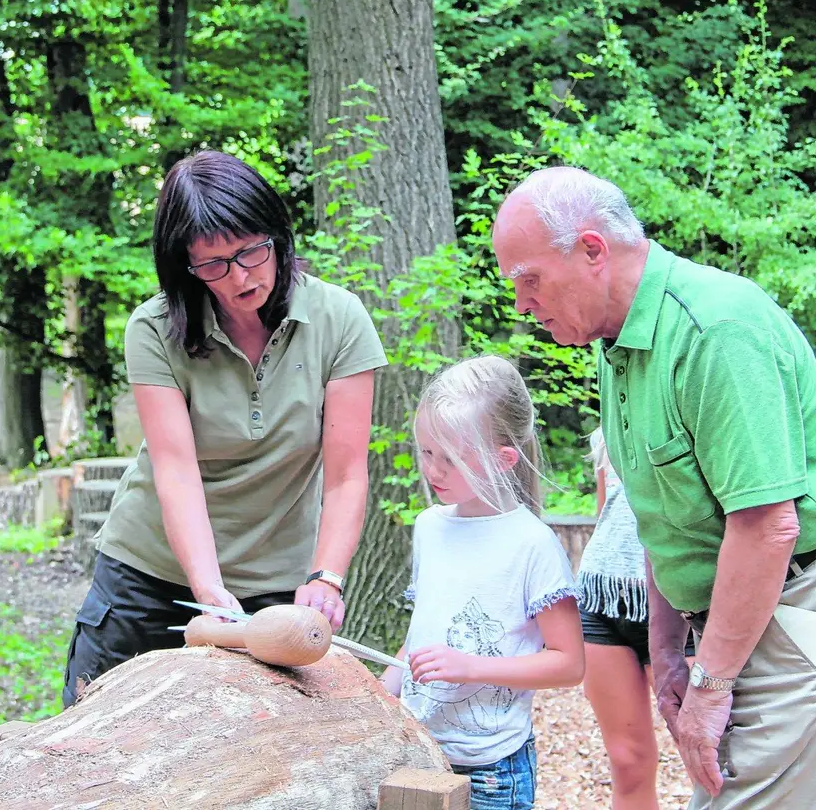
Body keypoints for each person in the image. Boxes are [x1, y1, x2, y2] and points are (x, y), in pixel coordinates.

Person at [491, 166, 816, 809]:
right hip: (744, 611)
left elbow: (767, 525)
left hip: (814, 597)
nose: (522, 304)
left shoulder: (715, 329)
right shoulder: (619, 346)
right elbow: (661, 517)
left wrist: (710, 686)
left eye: (529, 280)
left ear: (592, 251)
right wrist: (667, 654)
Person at [60, 150, 387, 707]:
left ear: (276, 237)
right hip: (151, 575)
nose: (240, 277)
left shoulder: (339, 318)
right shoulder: (153, 329)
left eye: (250, 253)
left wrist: (327, 576)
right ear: (184, 265)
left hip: (276, 588)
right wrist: (208, 592)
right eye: (213, 264)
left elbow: (346, 475)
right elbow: (176, 470)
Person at [379, 355, 585, 810]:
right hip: (415, 752)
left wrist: (470, 667)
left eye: (449, 459)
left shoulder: (533, 544)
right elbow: (420, 636)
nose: (432, 471)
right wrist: (378, 693)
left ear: (504, 459)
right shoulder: (429, 526)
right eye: (426, 452)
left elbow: (569, 664)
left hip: (492, 773)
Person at [576, 428, 660, 810]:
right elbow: (605, 513)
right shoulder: (608, 426)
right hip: (601, 596)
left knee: (712, 758)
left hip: (678, 600)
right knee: (628, 762)